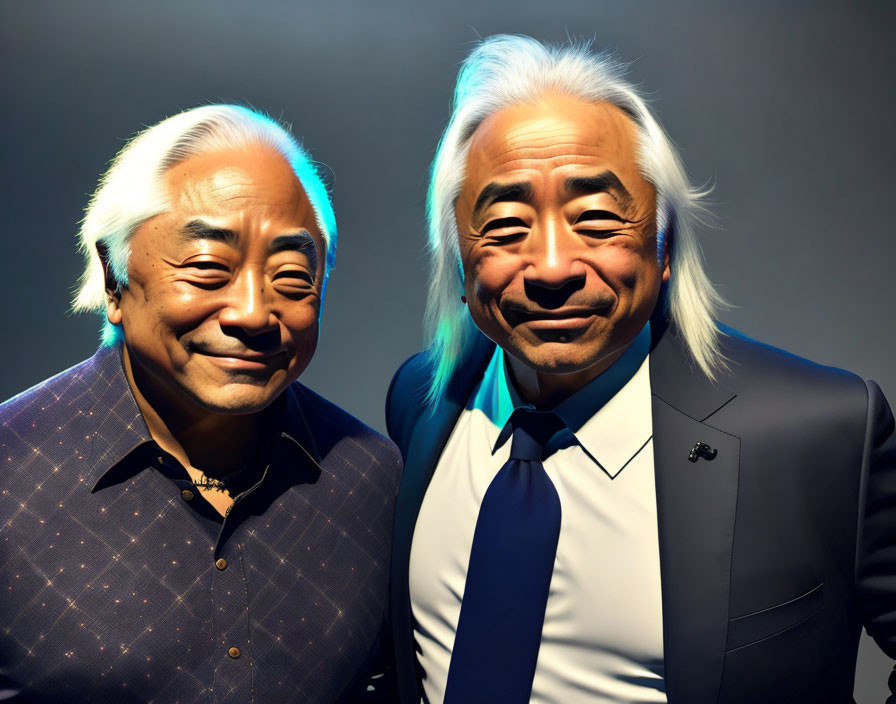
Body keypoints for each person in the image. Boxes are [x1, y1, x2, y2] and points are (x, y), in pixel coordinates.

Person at [385, 35, 896, 703]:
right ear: (456, 257)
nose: (551, 269)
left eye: (596, 219)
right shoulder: (422, 402)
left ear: (665, 244)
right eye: (506, 226)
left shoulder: (822, 434)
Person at [0, 104, 401, 703]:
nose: (252, 313)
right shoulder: (11, 471)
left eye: (291, 275)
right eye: (209, 268)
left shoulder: (373, 481)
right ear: (113, 280)